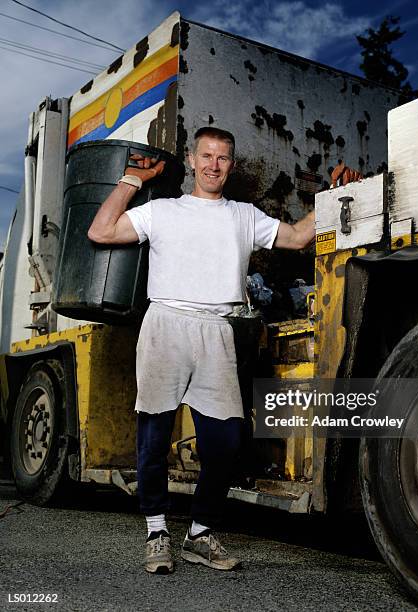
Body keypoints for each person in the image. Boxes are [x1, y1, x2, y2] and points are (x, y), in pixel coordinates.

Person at [88, 127, 316, 575]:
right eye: (207, 155)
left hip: (217, 330)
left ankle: (199, 533)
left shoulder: (243, 216)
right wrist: (132, 180)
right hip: (166, 324)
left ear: (232, 164)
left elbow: (297, 237)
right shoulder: (162, 211)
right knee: (154, 435)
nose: (214, 165)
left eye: (224, 158)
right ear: (192, 159)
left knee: (226, 442)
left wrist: (332, 196)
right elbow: (101, 230)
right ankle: (156, 532)